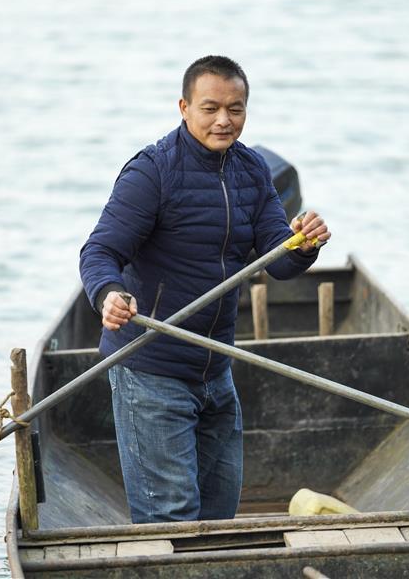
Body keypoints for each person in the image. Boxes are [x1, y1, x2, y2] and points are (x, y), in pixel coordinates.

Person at [79, 55, 330, 524]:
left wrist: (304, 243)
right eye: (210, 107)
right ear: (184, 107)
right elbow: (98, 253)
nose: (223, 120)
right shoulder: (151, 172)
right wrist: (108, 294)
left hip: (216, 371)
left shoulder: (252, 171)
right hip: (150, 370)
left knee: (218, 517)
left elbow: (279, 260)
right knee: (172, 521)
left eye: (235, 109)